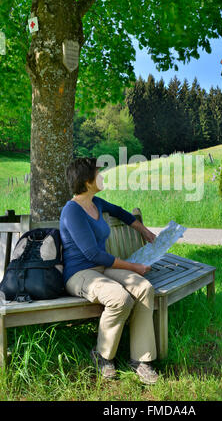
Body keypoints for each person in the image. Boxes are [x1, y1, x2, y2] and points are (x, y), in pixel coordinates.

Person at [60, 157, 159, 385]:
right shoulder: (72, 211)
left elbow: (122, 212)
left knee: (144, 288)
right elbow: (92, 254)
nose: (101, 176)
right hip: (79, 274)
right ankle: (102, 356)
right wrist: (133, 266)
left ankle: (141, 360)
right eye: (97, 173)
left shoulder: (96, 203)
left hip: (103, 269)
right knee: (120, 298)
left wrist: (143, 231)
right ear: (87, 181)